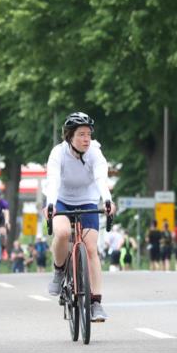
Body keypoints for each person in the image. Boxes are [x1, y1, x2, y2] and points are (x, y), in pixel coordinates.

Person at [44, 112, 116, 323]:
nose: (86, 139)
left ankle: (95, 303)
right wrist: (50, 205)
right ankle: (59, 271)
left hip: (87, 201)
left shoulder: (95, 152)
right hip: (61, 200)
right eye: (81, 134)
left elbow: (102, 178)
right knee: (63, 232)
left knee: (91, 247)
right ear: (69, 136)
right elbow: (53, 180)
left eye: (89, 134)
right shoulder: (58, 153)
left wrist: (108, 200)